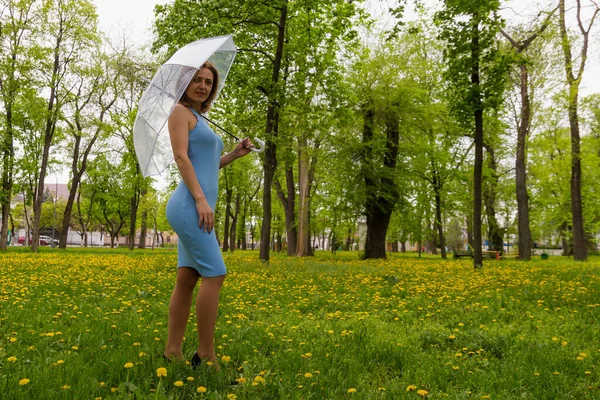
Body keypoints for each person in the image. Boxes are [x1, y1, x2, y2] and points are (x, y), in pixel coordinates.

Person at [163, 61, 254, 368]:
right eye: (197, 80)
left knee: (187, 277)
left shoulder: (199, 118)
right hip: (190, 206)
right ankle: (205, 354)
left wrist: (234, 154)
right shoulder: (179, 112)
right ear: (185, 83)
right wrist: (201, 200)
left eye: (208, 82)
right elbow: (180, 157)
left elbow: (204, 165)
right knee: (215, 275)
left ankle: (172, 351)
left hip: (196, 205)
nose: (203, 85)